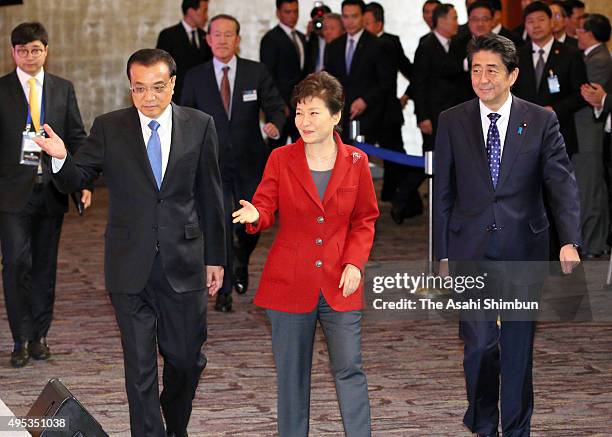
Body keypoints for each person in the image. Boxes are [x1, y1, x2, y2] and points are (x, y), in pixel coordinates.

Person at [34, 48, 226, 437]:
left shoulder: (200, 124)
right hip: (128, 265)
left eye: (157, 87)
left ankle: (176, 424)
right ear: (130, 88)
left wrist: (217, 258)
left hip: (184, 262)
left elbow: (211, 195)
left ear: (173, 84)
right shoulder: (110, 127)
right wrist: (60, 158)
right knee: (139, 368)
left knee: (186, 361)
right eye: (139, 89)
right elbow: (78, 177)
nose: (149, 97)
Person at [434, 33, 581, 437]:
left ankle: (516, 429)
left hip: (523, 247)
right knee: (480, 343)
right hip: (470, 248)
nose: (482, 78)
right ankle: (482, 421)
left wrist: (569, 239)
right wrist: (441, 255)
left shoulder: (541, 120)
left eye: (492, 70)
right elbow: (442, 193)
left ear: (513, 74)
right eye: (476, 69)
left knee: (517, 349)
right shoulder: (452, 120)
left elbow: (561, 183)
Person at [232, 71, 378, 437]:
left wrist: (355, 264)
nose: (304, 121)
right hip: (289, 282)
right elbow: (265, 205)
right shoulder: (281, 159)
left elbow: (364, 219)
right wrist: (256, 216)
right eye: (299, 112)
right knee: (292, 377)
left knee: (349, 368)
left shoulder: (357, 162)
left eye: (313, 113)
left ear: (335, 116)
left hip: (339, 281)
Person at [0, 22, 92, 368]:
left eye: (36, 50)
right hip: (11, 195)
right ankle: (20, 338)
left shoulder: (62, 89)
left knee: (44, 267)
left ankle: (39, 335)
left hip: (51, 191)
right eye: (22, 50)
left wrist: (81, 180)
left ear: (46, 51)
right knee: (16, 264)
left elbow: (77, 137)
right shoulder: (2, 90)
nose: (29, 56)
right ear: (13, 53)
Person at [182, 14, 286, 311]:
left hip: (250, 161)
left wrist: (275, 125)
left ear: (238, 39)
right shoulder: (196, 76)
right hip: (211, 164)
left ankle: (242, 259)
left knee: (252, 223)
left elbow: (276, 106)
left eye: (229, 35)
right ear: (208, 39)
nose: (223, 40)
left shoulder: (256, 72)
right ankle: (225, 289)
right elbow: (184, 116)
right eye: (217, 35)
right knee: (221, 224)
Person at [512, 1, 587, 157]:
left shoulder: (571, 54)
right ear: (525, 26)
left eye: (541, 19)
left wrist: (554, 110)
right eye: (530, 21)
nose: (536, 25)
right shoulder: (517, 55)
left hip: (559, 131)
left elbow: (580, 94)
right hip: (523, 131)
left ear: (551, 22)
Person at [324, 0, 393, 144]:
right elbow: (329, 80)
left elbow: (386, 81)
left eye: (354, 16)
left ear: (363, 16)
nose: (349, 22)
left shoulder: (377, 45)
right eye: (346, 16)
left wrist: (365, 100)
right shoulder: (334, 46)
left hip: (370, 116)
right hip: (340, 118)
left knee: (361, 161)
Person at [572, 13, 612, 257]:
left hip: (590, 132)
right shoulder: (592, 55)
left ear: (589, 34)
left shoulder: (598, 59)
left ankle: (594, 245)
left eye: (580, 30)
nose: (577, 34)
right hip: (584, 131)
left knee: (591, 190)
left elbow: (589, 94)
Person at [412, 3, 466, 152]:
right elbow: (419, 83)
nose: (457, 23)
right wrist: (422, 117)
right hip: (433, 114)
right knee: (435, 153)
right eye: (454, 18)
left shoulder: (456, 44)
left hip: (454, 111)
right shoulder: (426, 46)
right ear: (442, 21)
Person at [260, 0, 306, 147]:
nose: (292, 16)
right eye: (288, 12)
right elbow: (268, 75)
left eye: (295, 11)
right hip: (280, 108)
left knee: (302, 149)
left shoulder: (301, 37)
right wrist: (279, 104)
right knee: (276, 149)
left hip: (301, 106)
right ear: (278, 13)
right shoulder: (270, 39)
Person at [156, 0, 213, 104]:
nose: (206, 16)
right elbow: (160, 69)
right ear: (191, 11)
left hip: (202, 98)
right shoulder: (168, 35)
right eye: (204, 11)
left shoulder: (205, 36)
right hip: (177, 98)